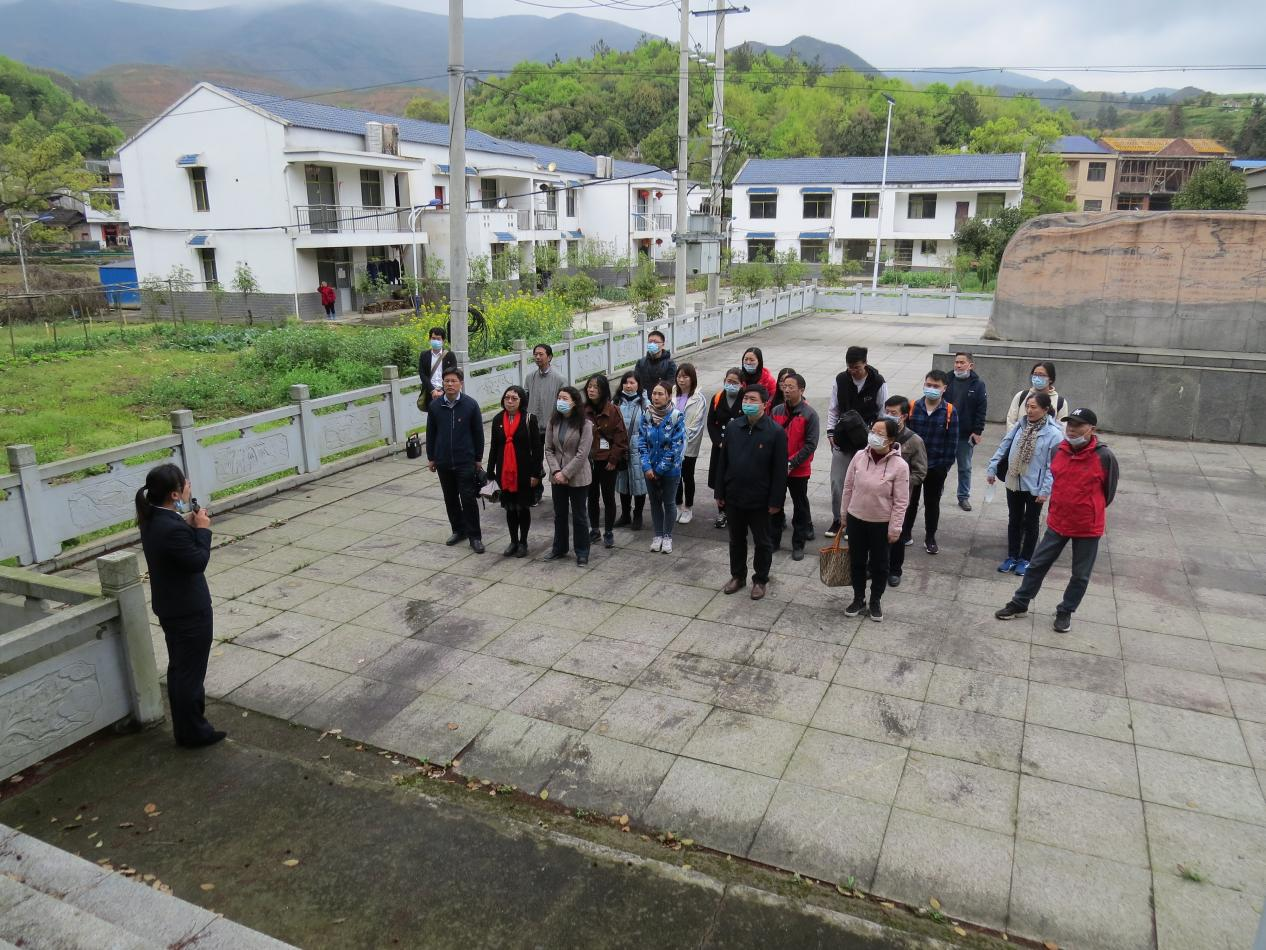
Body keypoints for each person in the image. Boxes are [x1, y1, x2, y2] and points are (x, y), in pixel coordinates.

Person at [996, 408, 1118, 633]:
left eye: (1078, 425)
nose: (1072, 430)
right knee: (1037, 565)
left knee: (1080, 575)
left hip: (1087, 526)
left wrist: (1088, 508)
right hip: (1058, 521)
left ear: (1091, 429)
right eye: (1070, 425)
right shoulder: (1058, 450)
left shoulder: (1104, 457)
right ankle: (1020, 603)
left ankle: (1065, 611)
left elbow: (1108, 493)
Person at [135, 463, 224, 748]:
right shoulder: (171, 528)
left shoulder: (151, 517)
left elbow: (174, 543)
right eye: (184, 483)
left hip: (170, 607)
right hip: (189, 611)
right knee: (189, 674)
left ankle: (186, 729)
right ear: (174, 494)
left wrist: (188, 524)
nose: (188, 485)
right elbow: (197, 562)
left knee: (179, 670)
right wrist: (203, 530)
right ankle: (195, 733)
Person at [715, 385, 787, 600]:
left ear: (765, 404)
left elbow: (780, 471)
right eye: (745, 398)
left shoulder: (775, 432)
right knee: (736, 539)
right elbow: (722, 462)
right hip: (734, 495)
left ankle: (760, 579)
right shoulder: (733, 427)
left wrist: (776, 501)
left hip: (760, 499)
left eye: (753, 399)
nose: (747, 403)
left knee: (763, 542)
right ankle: (738, 576)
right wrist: (720, 492)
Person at [841, 418, 910, 623]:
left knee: (880, 565)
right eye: (872, 431)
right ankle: (858, 598)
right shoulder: (859, 456)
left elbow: (901, 501)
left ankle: (875, 601)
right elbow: (848, 486)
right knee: (857, 562)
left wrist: (895, 528)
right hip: (856, 518)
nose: (873, 436)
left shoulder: (900, 466)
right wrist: (844, 514)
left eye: (879, 434)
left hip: (881, 523)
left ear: (891, 439)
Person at [986, 392, 1063, 576]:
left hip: (1035, 487)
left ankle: (1026, 558)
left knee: (1031, 522)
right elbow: (1004, 446)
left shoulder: (1054, 434)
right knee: (1014, 519)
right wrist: (992, 467)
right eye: (1027, 406)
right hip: (1014, 480)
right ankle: (1012, 556)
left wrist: (1045, 490)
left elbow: (1052, 466)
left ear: (1045, 409)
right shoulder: (1020, 425)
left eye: (1034, 407)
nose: (1029, 410)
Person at [826, 346, 888, 537]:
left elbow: (883, 412)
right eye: (849, 367)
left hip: (866, 441)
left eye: (857, 367)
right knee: (837, 483)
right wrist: (830, 432)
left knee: (860, 484)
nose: (853, 371)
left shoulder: (878, 382)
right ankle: (838, 520)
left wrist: (878, 437)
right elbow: (833, 408)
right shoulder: (841, 380)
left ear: (865, 364)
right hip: (842, 439)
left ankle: (853, 522)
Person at [426, 368, 485, 554]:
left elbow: (478, 433)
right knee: (450, 498)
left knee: (468, 498)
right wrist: (431, 457)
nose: (450, 384)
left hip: (465, 460)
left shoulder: (470, 405)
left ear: (461, 383)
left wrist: (478, 458)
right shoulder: (435, 406)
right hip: (443, 461)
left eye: (453, 381)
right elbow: (431, 433)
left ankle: (475, 536)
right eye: (446, 381)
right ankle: (458, 530)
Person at [904, 369, 959, 555]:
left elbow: (952, 442)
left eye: (936, 386)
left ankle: (930, 537)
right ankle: (906, 533)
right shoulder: (913, 407)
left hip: (936, 466)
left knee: (932, 503)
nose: (932, 389)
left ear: (944, 388)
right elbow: (906, 435)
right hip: (913, 466)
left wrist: (945, 466)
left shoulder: (949, 411)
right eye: (929, 385)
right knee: (910, 501)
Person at [487, 385, 543, 557]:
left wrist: (536, 474)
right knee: (510, 508)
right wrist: (490, 471)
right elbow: (494, 447)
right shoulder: (498, 419)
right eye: (507, 398)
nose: (510, 401)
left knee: (522, 507)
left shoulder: (529, 419)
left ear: (521, 401)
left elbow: (537, 449)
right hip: (504, 471)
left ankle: (523, 542)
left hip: (523, 472)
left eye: (514, 398)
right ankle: (513, 541)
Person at [769, 372, 819, 560]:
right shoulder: (776, 411)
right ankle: (773, 541)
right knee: (775, 504)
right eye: (784, 386)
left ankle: (798, 544)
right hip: (777, 468)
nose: (786, 390)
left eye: (791, 387)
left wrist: (791, 463)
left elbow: (810, 444)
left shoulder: (810, 414)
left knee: (800, 507)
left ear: (801, 390)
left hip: (799, 470)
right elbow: (770, 436)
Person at [544, 386, 595, 565]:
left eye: (565, 398)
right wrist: (556, 471)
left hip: (578, 476)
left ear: (574, 402)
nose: (561, 401)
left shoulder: (585, 425)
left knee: (579, 515)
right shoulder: (553, 421)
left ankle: (582, 551)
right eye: (559, 398)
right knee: (560, 514)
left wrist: (566, 473)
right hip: (557, 476)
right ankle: (559, 547)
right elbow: (549, 449)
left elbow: (582, 454)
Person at [881, 396, 927, 588]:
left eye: (893, 413)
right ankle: (875, 566)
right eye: (886, 412)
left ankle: (894, 570)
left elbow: (920, 471)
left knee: (896, 535)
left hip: (900, 498)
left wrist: (900, 483)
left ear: (904, 416)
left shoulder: (914, 441)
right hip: (878, 497)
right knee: (876, 534)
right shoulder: (878, 435)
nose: (888, 416)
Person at [639, 380, 686, 553]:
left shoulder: (676, 416)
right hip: (649, 470)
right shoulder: (646, 414)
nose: (656, 397)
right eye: (654, 393)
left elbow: (676, 447)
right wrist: (647, 467)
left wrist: (659, 470)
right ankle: (657, 535)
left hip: (670, 470)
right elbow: (641, 442)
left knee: (669, 502)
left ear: (668, 396)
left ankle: (667, 536)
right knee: (654, 503)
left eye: (660, 394)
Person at [584, 373, 629, 549]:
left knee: (608, 496)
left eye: (595, 387)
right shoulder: (583, 410)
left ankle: (608, 531)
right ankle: (594, 529)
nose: (591, 390)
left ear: (603, 390)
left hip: (607, 461)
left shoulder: (613, 410)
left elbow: (621, 438)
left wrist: (613, 459)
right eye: (589, 386)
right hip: (588, 461)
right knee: (592, 496)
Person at [946, 351, 988, 512]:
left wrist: (978, 431)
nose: (958, 365)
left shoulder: (978, 385)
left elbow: (981, 409)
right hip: (946, 432)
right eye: (956, 362)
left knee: (965, 467)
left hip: (964, 434)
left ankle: (963, 497)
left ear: (970, 365)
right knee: (941, 466)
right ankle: (936, 492)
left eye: (962, 362)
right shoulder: (946, 380)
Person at [525, 343, 565, 505]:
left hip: (551, 426)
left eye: (541, 354)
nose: (537, 357)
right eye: (535, 354)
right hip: (532, 427)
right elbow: (525, 399)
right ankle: (536, 491)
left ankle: (560, 489)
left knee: (555, 457)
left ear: (549, 357)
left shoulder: (560, 379)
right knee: (534, 459)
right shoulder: (530, 377)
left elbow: (564, 404)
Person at [706, 367, 745, 529]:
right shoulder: (717, 398)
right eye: (729, 381)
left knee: (737, 478)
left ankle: (737, 510)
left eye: (735, 382)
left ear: (741, 384)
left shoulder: (746, 399)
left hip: (740, 447)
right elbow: (711, 423)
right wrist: (718, 442)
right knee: (720, 478)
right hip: (720, 447)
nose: (731, 384)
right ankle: (722, 511)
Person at [613, 370, 649, 531]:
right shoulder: (616, 402)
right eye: (626, 382)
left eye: (632, 383)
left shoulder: (645, 403)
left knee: (639, 482)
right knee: (623, 481)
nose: (628, 386)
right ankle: (625, 514)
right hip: (621, 449)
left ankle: (638, 515)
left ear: (638, 385)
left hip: (639, 448)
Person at [673, 363, 707, 525]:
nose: (681, 380)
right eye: (679, 376)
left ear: (692, 378)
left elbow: (696, 425)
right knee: (675, 476)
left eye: (685, 377)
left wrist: (680, 437)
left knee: (687, 475)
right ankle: (678, 506)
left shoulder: (699, 399)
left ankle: (688, 507)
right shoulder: (672, 393)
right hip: (671, 444)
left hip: (689, 445)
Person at [1005, 361, 1070, 428]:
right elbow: (1011, 421)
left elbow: (1062, 427)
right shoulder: (1021, 396)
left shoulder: (1060, 402)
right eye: (1035, 374)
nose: (1037, 378)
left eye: (1041, 375)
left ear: (1050, 379)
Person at [417, 326, 458, 412]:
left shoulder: (450, 355)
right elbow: (422, 374)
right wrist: (432, 390)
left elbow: (453, 374)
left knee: (448, 415)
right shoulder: (424, 355)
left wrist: (443, 391)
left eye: (438, 339)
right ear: (429, 339)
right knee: (432, 416)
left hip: (447, 392)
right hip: (430, 393)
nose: (435, 341)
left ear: (443, 340)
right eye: (433, 338)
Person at [634, 329, 677, 398]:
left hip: (661, 400)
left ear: (663, 345)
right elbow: (636, 382)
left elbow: (671, 385)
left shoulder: (670, 364)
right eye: (650, 342)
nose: (652, 344)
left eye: (655, 342)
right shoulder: (641, 362)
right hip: (644, 400)